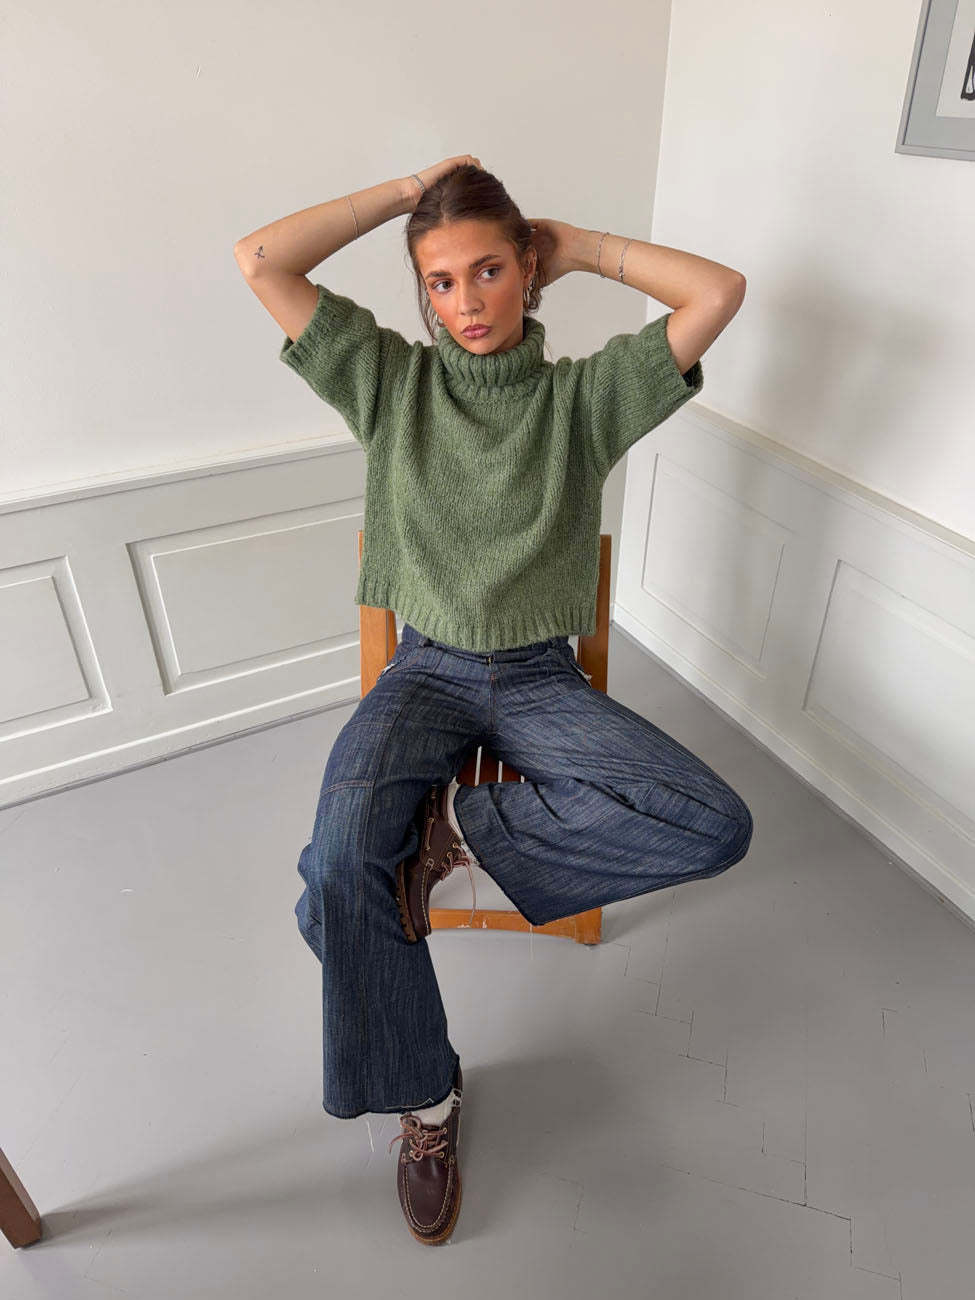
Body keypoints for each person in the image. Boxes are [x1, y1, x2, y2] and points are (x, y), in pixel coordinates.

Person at [233, 156, 754, 1245]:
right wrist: (401, 195)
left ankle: (457, 833)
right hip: (422, 674)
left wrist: (583, 245)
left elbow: (718, 292)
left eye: (488, 270)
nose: (465, 301)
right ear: (421, 293)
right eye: (439, 280)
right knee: (336, 871)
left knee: (714, 824)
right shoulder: (390, 385)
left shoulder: (584, 401)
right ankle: (429, 1102)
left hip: (535, 679)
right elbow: (261, 260)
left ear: (527, 270)